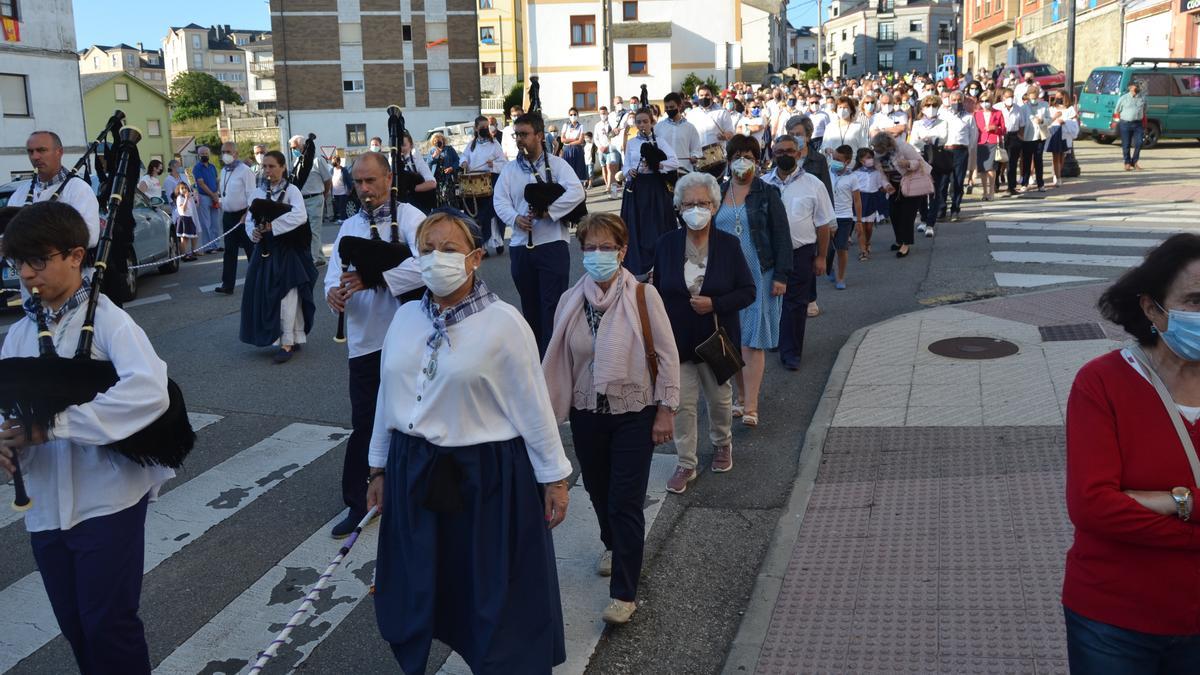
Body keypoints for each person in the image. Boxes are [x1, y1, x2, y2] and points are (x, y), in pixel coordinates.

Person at [367, 211, 571, 674]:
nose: (436, 259)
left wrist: (554, 478)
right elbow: (387, 394)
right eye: (427, 249)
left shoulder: (504, 324)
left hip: (486, 476)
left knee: (492, 595)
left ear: (476, 258)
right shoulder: (404, 319)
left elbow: (533, 404)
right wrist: (377, 468)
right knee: (420, 585)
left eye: (450, 249)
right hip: (413, 469)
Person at [0, 201, 174, 675]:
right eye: (18, 262)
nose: (27, 273)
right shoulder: (18, 335)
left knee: (108, 623)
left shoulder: (111, 322)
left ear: (76, 256)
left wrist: (54, 426)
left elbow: (149, 390)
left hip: (107, 500)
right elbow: (10, 407)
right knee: (75, 623)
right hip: (43, 506)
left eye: (39, 260)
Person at [1065, 233, 1200, 671]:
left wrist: (1168, 502)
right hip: (1114, 620)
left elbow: (1113, 506)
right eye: (1196, 300)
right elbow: (1093, 507)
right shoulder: (1101, 383)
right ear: (1150, 308)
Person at [541, 212, 680, 625]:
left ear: (622, 251)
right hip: (587, 415)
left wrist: (665, 411)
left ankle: (624, 592)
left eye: (607, 247)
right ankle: (611, 543)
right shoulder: (570, 302)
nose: (598, 254)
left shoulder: (642, 296)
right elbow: (561, 361)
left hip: (634, 413)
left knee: (625, 502)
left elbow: (669, 356)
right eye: (590, 247)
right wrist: (549, 414)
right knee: (599, 493)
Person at [324, 151, 425, 539]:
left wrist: (375, 277)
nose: (364, 189)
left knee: (412, 419)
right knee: (364, 422)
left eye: (371, 181)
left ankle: (409, 491)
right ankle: (358, 502)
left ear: (387, 179)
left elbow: (427, 265)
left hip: (406, 335)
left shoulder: (412, 219)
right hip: (364, 340)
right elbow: (334, 274)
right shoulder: (349, 225)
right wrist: (333, 293)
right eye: (358, 182)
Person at [654, 172, 755, 492]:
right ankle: (686, 463)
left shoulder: (728, 245)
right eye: (689, 204)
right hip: (677, 339)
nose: (695, 209)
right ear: (679, 208)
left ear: (713, 207)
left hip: (716, 337)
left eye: (702, 203)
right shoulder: (666, 244)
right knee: (681, 404)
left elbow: (748, 291)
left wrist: (715, 303)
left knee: (720, 400)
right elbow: (656, 292)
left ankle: (722, 443)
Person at [493, 112, 587, 355]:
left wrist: (550, 212)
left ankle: (554, 362)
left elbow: (577, 192)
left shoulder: (557, 165)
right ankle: (536, 360)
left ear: (539, 136)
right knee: (530, 307)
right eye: (517, 135)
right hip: (521, 248)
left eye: (524, 134)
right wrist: (515, 219)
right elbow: (499, 201)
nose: (519, 140)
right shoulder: (509, 170)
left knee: (553, 308)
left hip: (552, 245)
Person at [716, 136, 791, 422]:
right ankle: (740, 395)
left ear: (757, 160)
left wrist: (782, 275)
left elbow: (782, 237)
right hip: (725, 277)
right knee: (730, 341)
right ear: (729, 160)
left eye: (747, 155)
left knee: (752, 341)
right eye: (736, 155)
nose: (741, 160)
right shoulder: (719, 191)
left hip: (760, 274)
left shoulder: (767, 192)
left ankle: (751, 405)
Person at [761, 135, 834, 371]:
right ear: (773, 154)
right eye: (779, 151)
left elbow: (823, 224)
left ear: (799, 153)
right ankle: (776, 339)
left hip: (800, 253)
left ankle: (791, 353)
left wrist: (821, 257)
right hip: (769, 255)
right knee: (771, 300)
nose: (785, 155)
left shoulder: (814, 184)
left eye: (789, 151)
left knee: (796, 304)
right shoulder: (761, 184)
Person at [240, 150, 318, 363]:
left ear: (283, 167)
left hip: (286, 251)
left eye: (272, 166)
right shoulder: (257, 193)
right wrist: (254, 233)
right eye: (265, 166)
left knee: (287, 296)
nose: (268, 170)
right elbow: (249, 220)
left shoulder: (292, 190)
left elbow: (300, 216)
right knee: (265, 296)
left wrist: (274, 226)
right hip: (264, 252)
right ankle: (284, 337)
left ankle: (288, 342)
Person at [620, 107, 679, 277]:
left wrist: (657, 165)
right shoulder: (631, 142)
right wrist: (628, 171)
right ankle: (638, 264)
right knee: (636, 224)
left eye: (645, 121)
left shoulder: (660, 141)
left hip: (654, 188)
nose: (642, 125)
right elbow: (625, 164)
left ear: (652, 123)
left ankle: (658, 263)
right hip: (636, 188)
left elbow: (674, 162)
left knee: (655, 224)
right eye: (638, 122)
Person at [870, 132, 933, 259]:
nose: (876, 150)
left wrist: (908, 164)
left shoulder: (903, 147)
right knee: (894, 213)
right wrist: (886, 184)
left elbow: (919, 162)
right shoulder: (877, 155)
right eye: (875, 148)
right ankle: (899, 240)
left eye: (878, 148)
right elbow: (881, 173)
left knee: (907, 216)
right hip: (895, 185)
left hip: (911, 183)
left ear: (886, 145)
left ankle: (906, 244)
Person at [214, 141, 257, 295]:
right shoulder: (224, 171)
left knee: (250, 250)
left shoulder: (245, 171)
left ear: (236, 154)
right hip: (228, 216)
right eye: (223, 151)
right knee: (229, 251)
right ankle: (227, 284)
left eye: (228, 151)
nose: (225, 154)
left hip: (243, 215)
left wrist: (247, 214)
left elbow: (252, 195)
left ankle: (257, 282)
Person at [460, 115, 508, 253]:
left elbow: (503, 164)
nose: (485, 129)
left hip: (491, 181)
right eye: (482, 127)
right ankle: (483, 247)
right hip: (475, 184)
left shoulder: (495, 144)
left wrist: (493, 164)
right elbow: (464, 156)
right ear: (476, 128)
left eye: (487, 127)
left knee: (491, 215)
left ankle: (498, 242)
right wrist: (464, 162)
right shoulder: (471, 145)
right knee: (479, 216)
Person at [288, 134, 333, 266]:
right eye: (291, 148)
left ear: (303, 146)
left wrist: (324, 194)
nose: (293, 150)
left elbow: (328, 179)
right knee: (307, 231)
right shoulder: (296, 162)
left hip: (315, 198)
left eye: (295, 147)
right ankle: (319, 257)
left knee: (314, 230)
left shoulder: (317, 160)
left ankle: (311, 260)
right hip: (301, 200)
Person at [909, 94, 950, 238]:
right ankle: (924, 218)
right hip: (920, 158)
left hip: (936, 160)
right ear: (923, 108)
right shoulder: (917, 124)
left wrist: (928, 139)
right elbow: (914, 141)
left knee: (934, 191)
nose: (931, 109)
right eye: (928, 106)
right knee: (920, 191)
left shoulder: (942, 122)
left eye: (934, 106)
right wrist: (929, 140)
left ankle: (931, 223)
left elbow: (942, 139)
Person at [938, 90, 976, 223]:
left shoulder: (969, 117)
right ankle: (941, 210)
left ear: (963, 101)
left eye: (959, 100)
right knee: (942, 183)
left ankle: (955, 209)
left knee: (957, 182)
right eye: (954, 100)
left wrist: (967, 151)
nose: (956, 103)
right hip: (945, 151)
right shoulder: (942, 115)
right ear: (949, 101)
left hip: (961, 151)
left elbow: (973, 137)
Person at [827, 145, 860, 289]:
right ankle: (830, 268)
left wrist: (858, 220)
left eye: (838, 160)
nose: (834, 161)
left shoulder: (852, 177)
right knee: (827, 249)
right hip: (827, 216)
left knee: (842, 248)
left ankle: (841, 277)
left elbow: (857, 200)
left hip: (845, 217)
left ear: (847, 161)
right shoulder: (827, 172)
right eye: (833, 158)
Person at [656, 92, 703, 173]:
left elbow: (696, 149)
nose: (669, 110)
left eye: (672, 107)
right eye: (666, 107)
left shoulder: (690, 127)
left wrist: (694, 156)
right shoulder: (658, 127)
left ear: (679, 106)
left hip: (685, 170)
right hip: (664, 171)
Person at [974, 92, 1006, 202]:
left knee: (991, 167)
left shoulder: (998, 113)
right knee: (982, 169)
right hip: (981, 143)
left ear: (991, 101)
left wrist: (995, 128)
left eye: (987, 101)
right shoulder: (976, 114)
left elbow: (1003, 130)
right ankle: (985, 192)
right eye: (982, 101)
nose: (984, 103)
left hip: (993, 141)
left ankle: (991, 191)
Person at [190, 145, 221, 255]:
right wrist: (212, 194)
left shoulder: (212, 167)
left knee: (215, 223)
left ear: (209, 154)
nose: (204, 156)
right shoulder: (197, 168)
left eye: (206, 154)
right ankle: (208, 246)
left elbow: (217, 181)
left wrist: (216, 193)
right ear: (198, 155)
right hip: (204, 197)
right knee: (206, 223)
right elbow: (201, 183)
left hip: (214, 196)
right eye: (202, 154)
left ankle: (216, 245)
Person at [1019, 84, 1050, 193]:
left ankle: (1040, 184)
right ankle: (1025, 183)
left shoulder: (1044, 105)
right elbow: (1021, 123)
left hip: (1040, 136)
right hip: (1027, 137)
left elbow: (1049, 119)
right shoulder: (1023, 108)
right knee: (1026, 161)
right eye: (1031, 97)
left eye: (1035, 97)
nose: (1033, 99)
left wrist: (1042, 121)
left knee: (1038, 160)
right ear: (1028, 96)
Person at [399, 131, 438, 213]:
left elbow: (432, 183)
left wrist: (411, 189)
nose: (400, 148)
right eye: (398, 145)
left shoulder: (417, 161)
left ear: (411, 146)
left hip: (417, 206)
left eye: (403, 145)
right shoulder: (390, 163)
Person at [998, 87, 1026, 197]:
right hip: (1001, 136)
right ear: (1002, 97)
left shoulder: (1018, 109)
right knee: (999, 161)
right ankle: (996, 183)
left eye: (1011, 97)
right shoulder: (998, 108)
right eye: (1007, 97)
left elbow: (1022, 125)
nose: (1010, 99)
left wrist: (1020, 137)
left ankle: (1011, 186)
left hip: (1014, 136)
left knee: (1012, 163)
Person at [1113, 82, 1147, 171]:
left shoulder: (1142, 98)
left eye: (1138, 86)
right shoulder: (1123, 98)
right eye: (1136, 86)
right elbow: (1116, 111)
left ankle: (1134, 162)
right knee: (1126, 144)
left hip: (1138, 124)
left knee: (1139, 143)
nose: (1138, 88)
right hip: (1125, 124)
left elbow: (1145, 110)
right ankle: (1127, 163)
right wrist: (1117, 122)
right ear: (1130, 88)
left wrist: (1144, 123)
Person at [1047, 90, 1076, 187]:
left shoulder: (1070, 109)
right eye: (1056, 97)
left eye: (1060, 97)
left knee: (1062, 156)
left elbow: (1074, 121)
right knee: (1055, 156)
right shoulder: (1052, 108)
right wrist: (1055, 117)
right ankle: (1057, 176)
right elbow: (1048, 120)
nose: (1058, 99)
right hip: (1054, 131)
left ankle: (1058, 173)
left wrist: (1065, 122)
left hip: (1065, 132)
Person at [560, 107, 589, 186]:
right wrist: (574, 139)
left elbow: (581, 141)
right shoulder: (565, 125)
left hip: (577, 150)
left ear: (578, 115)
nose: (573, 116)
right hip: (567, 151)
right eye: (571, 114)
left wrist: (569, 142)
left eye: (575, 114)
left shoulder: (581, 126)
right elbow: (562, 139)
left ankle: (579, 190)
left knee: (578, 171)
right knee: (568, 171)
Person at [594, 105, 618, 194]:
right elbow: (595, 138)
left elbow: (614, 137)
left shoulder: (611, 124)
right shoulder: (597, 125)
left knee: (610, 167)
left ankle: (609, 187)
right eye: (601, 113)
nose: (603, 115)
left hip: (610, 149)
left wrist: (608, 146)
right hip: (601, 150)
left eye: (604, 113)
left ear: (607, 113)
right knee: (604, 168)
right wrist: (600, 147)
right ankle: (607, 184)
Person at [174, 181, 200, 261]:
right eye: (182, 188)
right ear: (178, 190)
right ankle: (183, 255)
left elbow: (196, 205)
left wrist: (195, 197)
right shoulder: (180, 198)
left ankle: (188, 253)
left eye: (185, 188)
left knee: (190, 237)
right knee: (184, 238)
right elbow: (183, 209)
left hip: (189, 218)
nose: (184, 189)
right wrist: (186, 199)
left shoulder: (188, 197)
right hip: (183, 218)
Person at [330, 155, 351, 221]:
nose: (333, 163)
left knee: (342, 207)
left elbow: (348, 180)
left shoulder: (344, 170)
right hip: (335, 192)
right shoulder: (332, 170)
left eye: (334, 162)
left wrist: (349, 190)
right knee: (338, 207)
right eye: (332, 162)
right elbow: (330, 180)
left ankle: (343, 219)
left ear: (339, 162)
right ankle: (340, 219)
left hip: (343, 192)